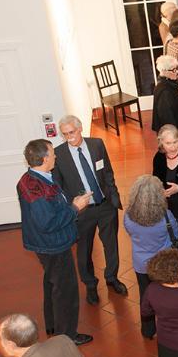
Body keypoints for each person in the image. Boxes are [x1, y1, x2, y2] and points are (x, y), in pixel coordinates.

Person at [16, 139, 92, 345]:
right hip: (54, 246)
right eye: (52, 153)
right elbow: (48, 222)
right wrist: (75, 208)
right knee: (66, 291)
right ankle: (67, 337)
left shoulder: (31, 178)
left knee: (52, 284)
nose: (56, 156)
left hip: (46, 244)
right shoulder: (35, 188)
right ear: (44, 158)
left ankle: (53, 326)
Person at [53, 115, 126, 306]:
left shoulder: (96, 145)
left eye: (72, 132)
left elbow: (107, 172)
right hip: (82, 212)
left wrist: (114, 197)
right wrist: (74, 206)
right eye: (65, 134)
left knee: (111, 245)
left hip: (105, 205)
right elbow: (58, 187)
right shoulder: (58, 155)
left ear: (80, 129)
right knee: (84, 251)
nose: (69, 137)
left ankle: (112, 277)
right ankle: (91, 285)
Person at [124, 175, 178, 339]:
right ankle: (169, 327)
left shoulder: (128, 216)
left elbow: (130, 232)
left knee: (145, 295)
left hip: (141, 264)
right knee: (168, 296)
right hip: (162, 264)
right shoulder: (165, 216)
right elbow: (175, 234)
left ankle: (148, 330)